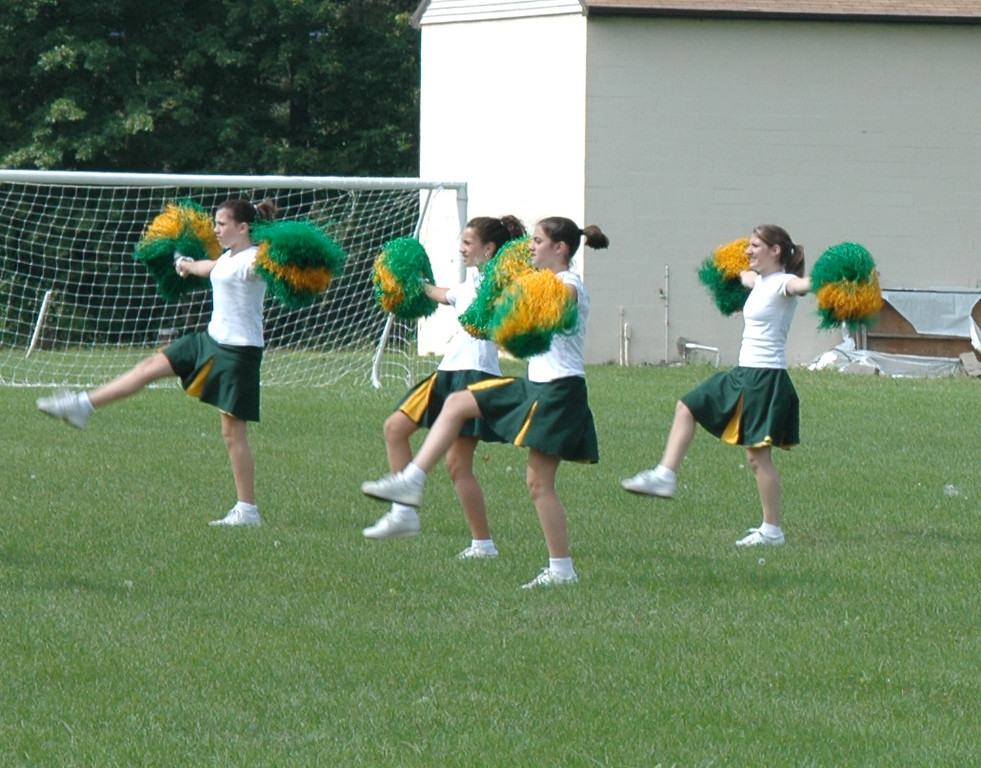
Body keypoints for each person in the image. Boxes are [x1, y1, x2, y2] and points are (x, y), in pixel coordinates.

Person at [361, 216, 609, 588]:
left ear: (560, 248)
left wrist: (510, 291)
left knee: (539, 483)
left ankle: (561, 571)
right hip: (538, 386)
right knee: (458, 404)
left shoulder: (568, 284)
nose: (529, 247)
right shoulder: (536, 280)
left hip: (560, 391)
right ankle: (411, 484)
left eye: (538, 241)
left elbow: (556, 301)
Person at [36, 198, 279, 527]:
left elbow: (264, 270)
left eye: (222, 224)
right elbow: (211, 268)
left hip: (239, 353)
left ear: (243, 227)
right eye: (215, 223)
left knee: (233, 434)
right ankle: (82, 406)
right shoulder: (228, 257)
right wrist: (185, 265)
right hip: (208, 341)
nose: (215, 229)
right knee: (149, 367)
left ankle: (248, 511)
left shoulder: (254, 260)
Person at [620, 224, 811, 546]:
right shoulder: (759, 281)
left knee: (758, 458)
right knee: (688, 406)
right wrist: (727, 267)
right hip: (744, 372)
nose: (748, 251)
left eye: (755, 246)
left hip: (765, 378)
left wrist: (832, 280)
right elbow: (741, 275)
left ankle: (772, 531)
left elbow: (803, 286)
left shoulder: (784, 283)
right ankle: (665, 475)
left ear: (775, 250)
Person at [363, 216, 526, 558]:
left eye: (468, 243)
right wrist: (409, 278)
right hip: (446, 373)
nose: (461, 249)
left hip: (475, 376)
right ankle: (403, 513)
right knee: (395, 428)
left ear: (489, 249)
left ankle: (482, 545)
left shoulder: (500, 286)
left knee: (458, 466)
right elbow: (439, 294)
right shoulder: (468, 286)